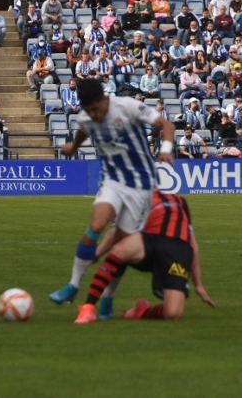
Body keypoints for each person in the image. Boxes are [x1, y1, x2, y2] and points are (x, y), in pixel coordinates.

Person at [49, 79, 175, 318]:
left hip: (141, 185)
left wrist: (166, 150)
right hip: (113, 180)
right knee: (96, 225)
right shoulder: (86, 117)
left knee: (120, 248)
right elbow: (83, 131)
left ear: (105, 100)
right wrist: (73, 147)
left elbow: (166, 125)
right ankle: (73, 285)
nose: (94, 115)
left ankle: (108, 298)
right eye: (89, 111)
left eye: (97, 109)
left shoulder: (126, 106)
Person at [75, 188, 215, 323]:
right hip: (150, 241)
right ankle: (89, 307)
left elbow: (193, 242)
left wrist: (198, 284)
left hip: (176, 251)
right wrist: (97, 253)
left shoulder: (180, 201)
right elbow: (115, 232)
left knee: (172, 314)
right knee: (119, 249)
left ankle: (141, 312)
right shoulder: (136, 200)